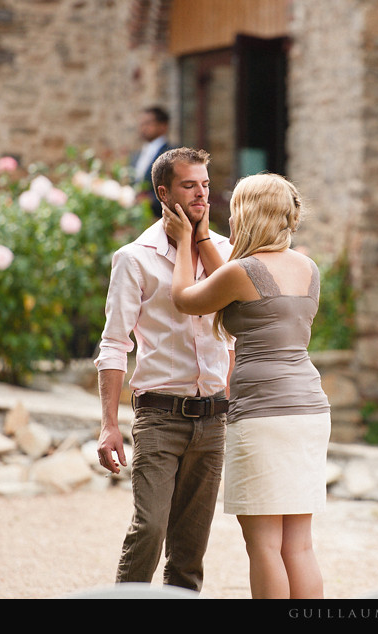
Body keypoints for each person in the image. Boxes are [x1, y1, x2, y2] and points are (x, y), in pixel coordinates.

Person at [161, 172, 331, 599]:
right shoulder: (306, 268)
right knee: (299, 544)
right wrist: (204, 243)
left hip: (263, 414)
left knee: (264, 545)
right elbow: (240, 291)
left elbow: (186, 298)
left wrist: (185, 241)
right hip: (308, 410)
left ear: (248, 214)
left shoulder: (244, 270)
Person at [95, 147, 234, 592]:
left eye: (206, 185)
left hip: (213, 419)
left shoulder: (225, 253)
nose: (201, 195)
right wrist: (108, 424)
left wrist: (200, 242)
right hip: (159, 417)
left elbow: (240, 319)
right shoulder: (134, 259)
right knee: (150, 528)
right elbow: (114, 344)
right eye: (189, 185)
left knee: (190, 551)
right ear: (163, 192)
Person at [130, 105, 172, 211]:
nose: (143, 127)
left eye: (148, 123)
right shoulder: (136, 155)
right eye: (141, 123)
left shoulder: (171, 154)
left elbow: (174, 189)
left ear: (163, 126)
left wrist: (151, 199)